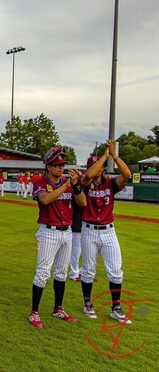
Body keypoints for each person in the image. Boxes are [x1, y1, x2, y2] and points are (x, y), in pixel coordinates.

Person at [28, 146, 86, 328]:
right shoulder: (40, 182)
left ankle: (58, 308)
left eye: (62, 165)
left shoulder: (68, 184)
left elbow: (82, 202)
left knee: (61, 272)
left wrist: (75, 185)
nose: (61, 168)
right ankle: (34, 312)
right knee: (43, 272)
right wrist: (65, 185)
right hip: (48, 232)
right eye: (57, 165)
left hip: (66, 231)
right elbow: (45, 200)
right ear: (48, 166)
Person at [79, 140, 132, 323]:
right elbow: (89, 175)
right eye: (94, 166)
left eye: (100, 167)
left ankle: (116, 307)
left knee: (116, 271)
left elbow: (126, 174)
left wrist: (114, 155)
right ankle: (87, 304)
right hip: (89, 230)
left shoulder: (110, 184)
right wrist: (104, 157)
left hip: (108, 230)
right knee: (88, 271)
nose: (98, 169)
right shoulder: (84, 183)